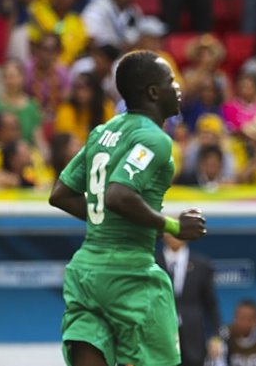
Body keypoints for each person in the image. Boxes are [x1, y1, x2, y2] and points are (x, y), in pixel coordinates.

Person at [48, 50, 208, 366]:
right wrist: (173, 226)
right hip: (130, 274)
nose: (178, 87)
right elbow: (119, 194)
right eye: (171, 81)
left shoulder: (102, 132)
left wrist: (105, 222)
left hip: (85, 273)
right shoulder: (155, 140)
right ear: (153, 92)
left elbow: (61, 194)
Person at [155, 232, 222, 366]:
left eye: (179, 230)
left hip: (193, 339)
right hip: (160, 338)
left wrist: (215, 337)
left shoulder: (202, 264)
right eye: (170, 231)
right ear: (163, 235)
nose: (175, 235)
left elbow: (211, 305)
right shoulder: (152, 263)